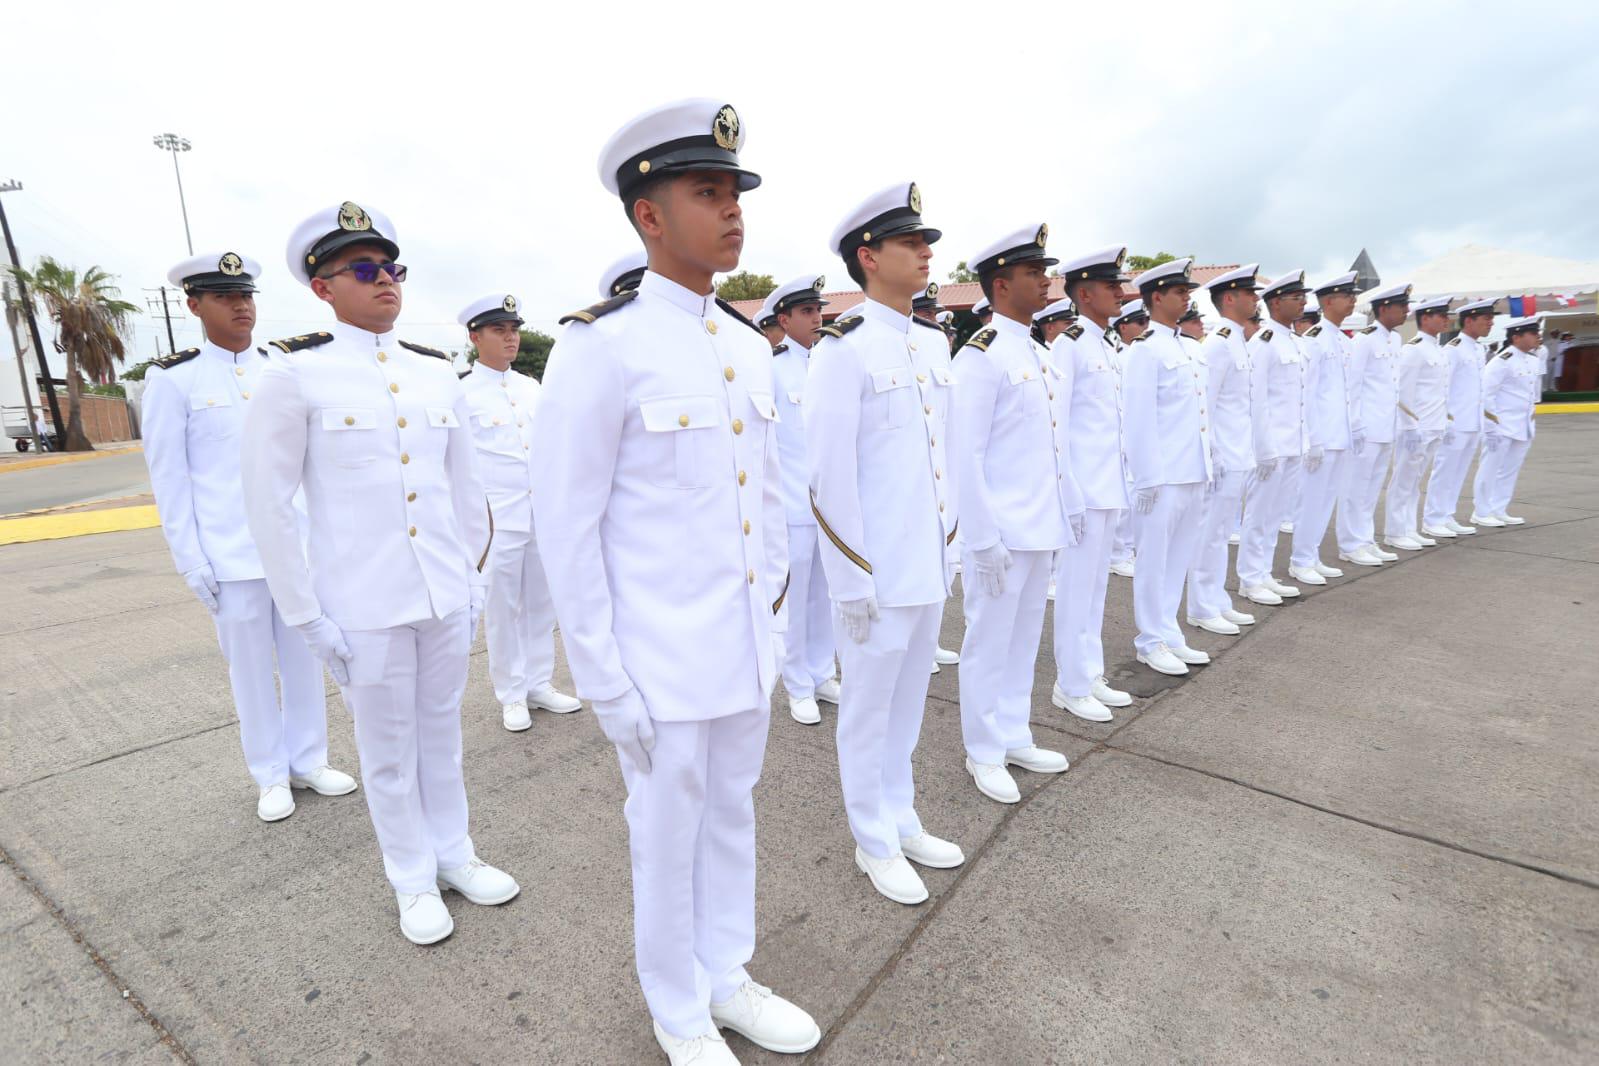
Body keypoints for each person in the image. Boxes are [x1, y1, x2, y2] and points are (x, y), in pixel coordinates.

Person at [528, 100, 819, 1064]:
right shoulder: (599, 346)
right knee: (664, 831)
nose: (732, 211)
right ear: (648, 216)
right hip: (655, 656)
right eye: (707, 193)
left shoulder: (744, 345)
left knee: (732, 815)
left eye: (735, 191)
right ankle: (676, 1005)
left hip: (740, 646)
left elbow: (767, 506)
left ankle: (725, 975)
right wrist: (603, 677)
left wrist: (772, 624)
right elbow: (567, 527)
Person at [242, 202, 516, 946]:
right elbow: (267, 506)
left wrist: (475, 582)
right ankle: (411, 877)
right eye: (363, 270)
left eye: (391, 268)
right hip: (362, 603)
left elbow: (467, 493)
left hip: (442, 594)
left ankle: (454, 854)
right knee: (387, 750)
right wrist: (304, 615)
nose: (385, 282)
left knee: (443, 736)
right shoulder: (293, 374)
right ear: (322, 288)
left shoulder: (434, 374)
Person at [143, 251, 355, 823]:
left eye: (247, 295)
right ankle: (269, 772)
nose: (241, 305)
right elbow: (171, 479)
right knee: (252, 671)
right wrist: (191, 560)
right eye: (224, 296)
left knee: (307, 657)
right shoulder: (173, 379)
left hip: (295, 549)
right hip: (229, 554)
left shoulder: (281, 367)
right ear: (194, 305)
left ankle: (309, 759)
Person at [808, 181, 964, 907]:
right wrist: (849, 581)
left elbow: (943, 457)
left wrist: (953, 544)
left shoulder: (932, 341)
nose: (925, 252)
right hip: (875, 571)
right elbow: (828, 476)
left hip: (925, 560)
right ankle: (871, 838)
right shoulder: (842, 348)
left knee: (905, 709)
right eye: (910, 243)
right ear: (867, 256)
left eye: (926, 241)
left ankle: (900, 814)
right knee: (867, 711)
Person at [951, 224, 1078, 804]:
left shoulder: (1039, 351)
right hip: (1000, 532)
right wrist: (980, 540)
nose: (1046, 280)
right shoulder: (981, 356)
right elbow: (965, 455)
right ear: (1001, 285)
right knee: (988, 641)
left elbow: (1052, 446)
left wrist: (1065, 512)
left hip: (1038, 526)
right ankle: (982, 749)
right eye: (1034, 273)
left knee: (1025, 637)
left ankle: (1014, 731)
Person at [457, 292, 582, 731]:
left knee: (540, 604)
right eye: (499, 331)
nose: (510, 338)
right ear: (475, 337)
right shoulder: (463, 394)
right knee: (502, 608)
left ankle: (538, 682)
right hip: (497, 521)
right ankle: (511, 692)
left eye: (514, 330)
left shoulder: (531, 388)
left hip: (539, 514)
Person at [1048, 247, 1137, 722]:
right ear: (1085, 293)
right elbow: (1058, 427)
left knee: (1096, 589)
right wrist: (1070, 495)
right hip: (1084, 491)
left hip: (1109, 487)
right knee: (1076, 589)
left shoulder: (1107, 345)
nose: (1121, 293)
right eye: (1112, 286)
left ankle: (1091, 672)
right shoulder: (1072, 343)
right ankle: (1070, 683)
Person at [1121, 259, 1213, 676]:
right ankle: (1149, 639)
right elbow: (1138, 419)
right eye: (1179, 292)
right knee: (1153, 561)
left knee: (1178, 560)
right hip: (1163, 477)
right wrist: (1147, 477)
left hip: (1193, 470)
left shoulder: (1190, 349)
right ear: (1156, 297)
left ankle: (1169, 630)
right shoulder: (1145, 350)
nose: (1187, 297)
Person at [767, 274, 842, 725]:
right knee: (796, 602)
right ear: (785, 318)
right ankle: (797, 683)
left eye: (819, 311)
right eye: (808, 312)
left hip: (829, 508)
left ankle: (820, 671)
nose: (817, 319)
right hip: (792, 507)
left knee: (826, 596)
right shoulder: (773, 369)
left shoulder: (830, 363)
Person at [1185, 264, 1262, 637]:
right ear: (1229, 298)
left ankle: (1215, 597)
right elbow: (1206, 406)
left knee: (1219, 534)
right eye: (1249, 294)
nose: (1256, 299)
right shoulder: (1217, 344)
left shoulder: (1237, 341)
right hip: (1222, 458)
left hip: (1237, 455)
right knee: (1209, 534)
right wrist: (1212, 457)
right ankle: (1201, 605)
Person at [1236, 271, 1310, 606]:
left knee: (1276, 514)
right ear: (1276, 302)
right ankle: (1250, 578)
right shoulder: (1263, 342)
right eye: (1297, 298)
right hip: (1272, 445)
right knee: (1259, 514)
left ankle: (1263, 572)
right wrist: (1263, 448)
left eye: (1303, 298)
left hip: (1293, 443)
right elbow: (1256, 399)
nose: (1303, 303)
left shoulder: (1295, 341)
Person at [1286, 272, 1360, 585]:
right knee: (1311, 500)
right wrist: (1312, 438)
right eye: (1347, 296)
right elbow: (1308, 393)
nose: (1353, 300)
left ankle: (1312, 554)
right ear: (1329, 301)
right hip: (1321, 435)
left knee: (1326, 500)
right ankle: (1300, 560)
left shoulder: (1344, 341)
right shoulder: (1313, 340)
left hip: (1340, 434)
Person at [1336, 282, 1411, 567]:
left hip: (1385, 427)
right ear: (1384, 309)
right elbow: (1353, 386)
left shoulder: (1394, 340)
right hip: (1365, 428)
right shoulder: (1364, 340)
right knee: (1355, 488)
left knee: (1371, 489)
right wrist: (1355, 426)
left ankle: (1366, 539)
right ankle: (1350, 543)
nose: (1406, 311)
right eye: (1401, 306)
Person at [911, 284, 963, 675]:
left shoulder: (934, 346)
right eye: (925, 312)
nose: (933, 320)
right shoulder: (849, 345)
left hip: (936, 496)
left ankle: (928, 644)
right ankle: (803, 679)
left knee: (936, 579)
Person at [1384, 295, 1454, 551]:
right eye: (1441, 315)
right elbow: (1404, 393)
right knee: (1403, 480)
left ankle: (1408, 528)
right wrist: (1410, 427)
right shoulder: (1413, 350)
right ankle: (1394, 531)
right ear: (1425, 318)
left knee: (1415, 482)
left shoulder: (1437, 349)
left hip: (1433, 425)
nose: (1446, 320)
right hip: (1416, 428)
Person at [1422, 298, 1495, 538]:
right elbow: (1443, 387)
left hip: (1472, 422)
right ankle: (1433, 519)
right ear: (1470, 320)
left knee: (1459, 471)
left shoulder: (1479, 348)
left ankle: (1446, 515)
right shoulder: (1452, 349)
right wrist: (1448, 419)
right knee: (1444, 470)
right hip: (1455, 422)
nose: (1490, 323)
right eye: (1486, 319)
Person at [1471, 316, 1543, 528]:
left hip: (1523, 425)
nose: (1537, 337)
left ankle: (1499, 509)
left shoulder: (1533, 360)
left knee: (1510, 470)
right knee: (1489, 469)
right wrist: (1491, 427)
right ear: (1516, 337)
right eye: (1532, 333)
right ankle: (1481, 511)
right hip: (1501, 425)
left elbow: (1530, 394)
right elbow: (1487, 396)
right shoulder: (1501, 361)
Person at [1106, 298, 1148, 579]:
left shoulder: (1138, 354)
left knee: (1132, 499)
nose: (1146, 326)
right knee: (1123, 502)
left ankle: (1127, 549)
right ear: (1124, 327)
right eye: (1140, 322)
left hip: (1133, 435)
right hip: (1117, 437)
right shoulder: (1121, 356)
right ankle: (1118, 553)